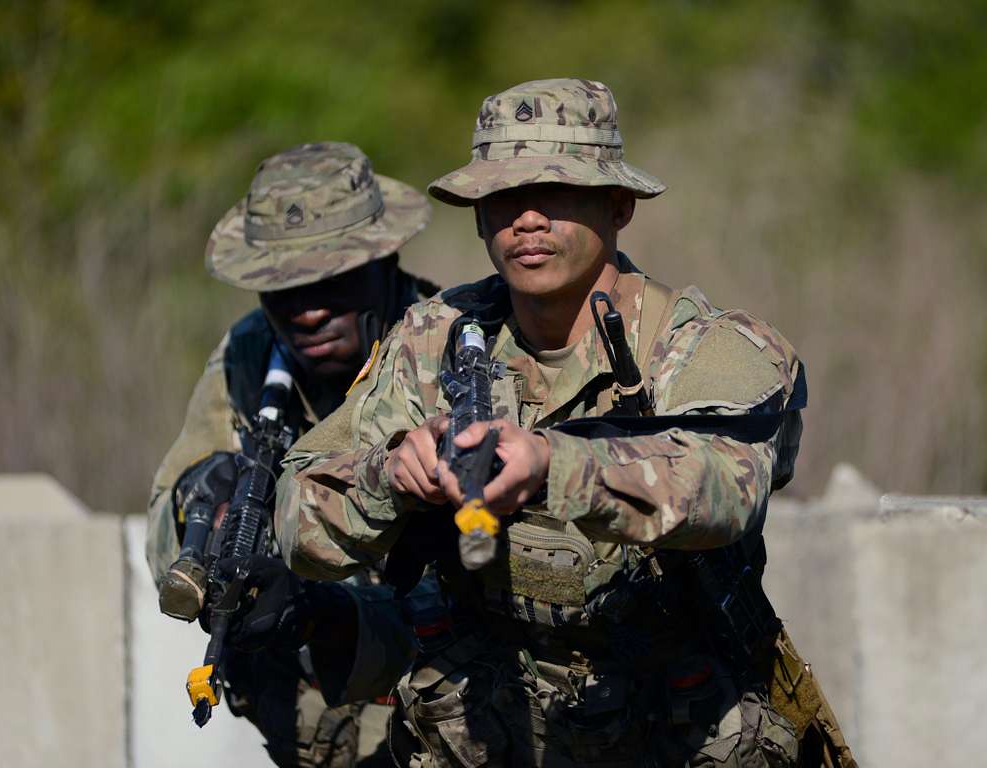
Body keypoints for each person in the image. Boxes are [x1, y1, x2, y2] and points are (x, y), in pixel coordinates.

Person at [273, 80, 855, 767]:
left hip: (678, 729)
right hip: (490, 729)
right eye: (502, 199)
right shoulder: (434, 340)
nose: (526, 220)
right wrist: (389, 475)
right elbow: (296, 513)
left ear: (618, 206)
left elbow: (729, 488)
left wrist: (556, 467)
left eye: (554, 194)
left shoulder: (709, 347)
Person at [146, 141, 436, 768]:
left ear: (386, 260)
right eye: (281, 286)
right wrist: (205, 513)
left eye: (333, 278)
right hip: (313, 733)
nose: (306, 308)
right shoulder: (250, 356)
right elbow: (165, 533)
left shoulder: (453, 349)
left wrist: (326, 613)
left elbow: (488, 601)